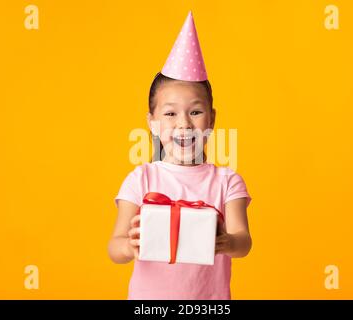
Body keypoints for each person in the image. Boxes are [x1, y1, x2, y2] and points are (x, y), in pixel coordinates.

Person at [108, 11, 252, 299]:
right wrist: (128, 246)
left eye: (195, 112)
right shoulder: (141, 178)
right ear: (152, 122)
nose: (184, 124)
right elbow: (114, 246)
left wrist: (225, 242)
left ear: (211, 119)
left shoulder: (227, 181)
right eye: (170, 113)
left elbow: (244, 243)